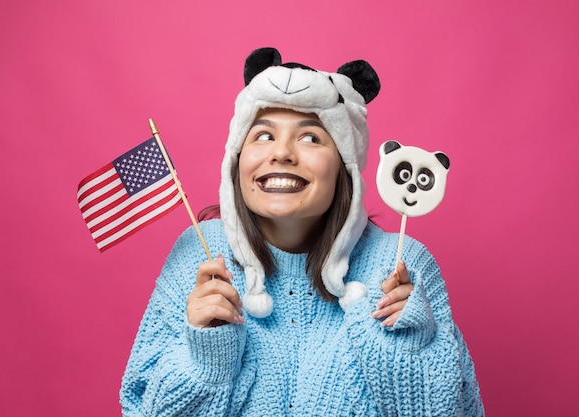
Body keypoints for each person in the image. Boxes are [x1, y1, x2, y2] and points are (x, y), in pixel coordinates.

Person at [120, 47, 484, 416]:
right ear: (237, 159)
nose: (282, 153)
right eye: (262, 135)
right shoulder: (198, 255)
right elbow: (138, 407)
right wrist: (206, 361)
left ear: (345, 169)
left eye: (310, 138)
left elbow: (460, 410)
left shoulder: (399, 264)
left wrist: (411, 349)